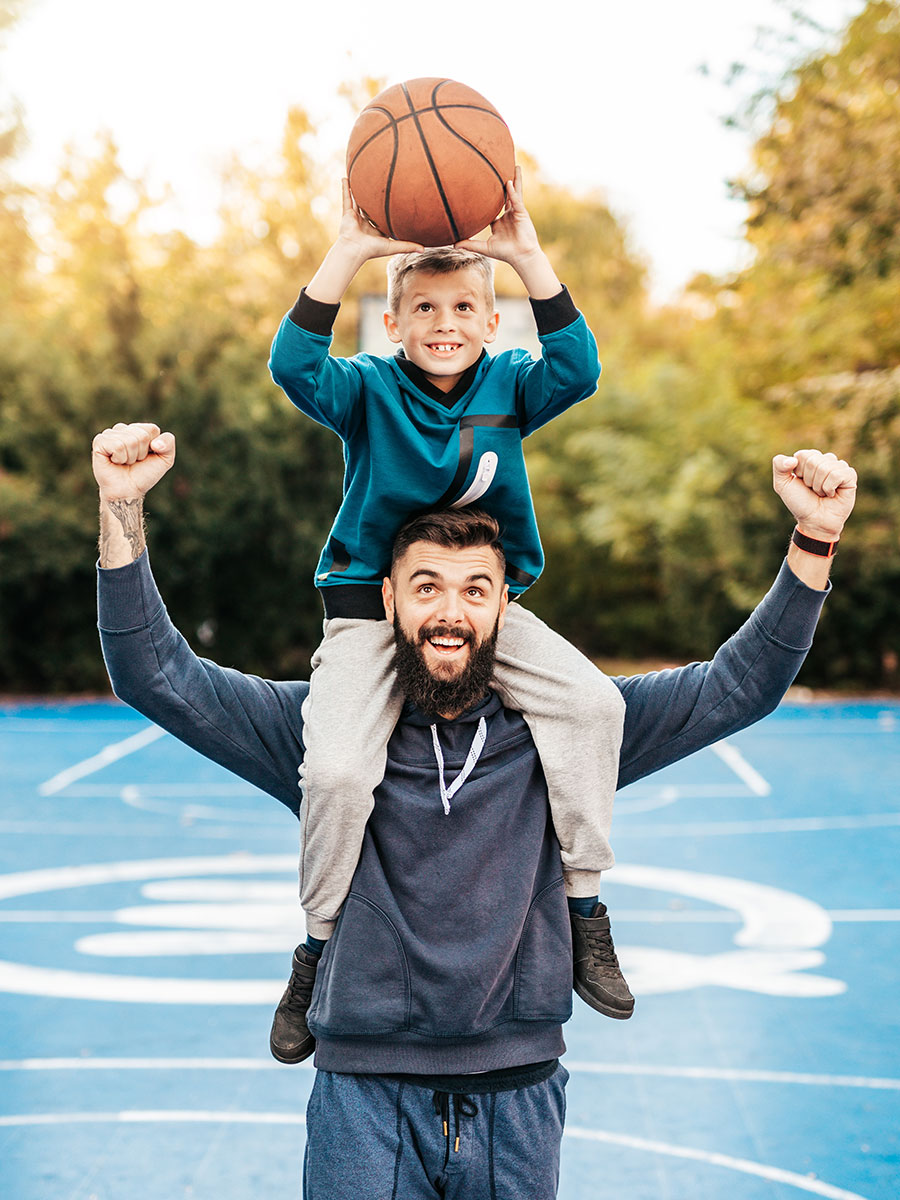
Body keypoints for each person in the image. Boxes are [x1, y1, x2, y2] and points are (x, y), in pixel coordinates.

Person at [93, 422, 856, 1199]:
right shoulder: (325, 728)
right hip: (365, 1095)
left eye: (474, 590)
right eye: (426, 586)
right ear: (389, 600)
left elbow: (738, 687)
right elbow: (156, 675)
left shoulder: (563, 733)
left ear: (504, 609)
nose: (449, 611)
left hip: (516, 1096)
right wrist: (121, 509)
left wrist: (814, 540)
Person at [266, 167, 631, 1059]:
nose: (444, 326)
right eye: (423, 310)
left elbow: (578, 366)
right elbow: (291, 364)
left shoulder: (510, 381)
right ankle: (315, 949)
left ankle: (585, 909)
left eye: (463, 309)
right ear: (393, 325)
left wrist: (526, 253)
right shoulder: (366, 390)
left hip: (483, 613)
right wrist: (352, 248)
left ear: (490, 320)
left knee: (597, 706)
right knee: (343, 773)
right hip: (367, 612)